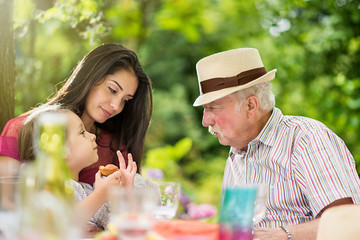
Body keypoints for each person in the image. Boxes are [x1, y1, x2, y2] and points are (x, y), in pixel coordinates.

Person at [192, 48, 360, 240]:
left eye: (213, 108)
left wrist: (284, 235)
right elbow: (234, 232)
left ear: (250, 106)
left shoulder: (307, 139)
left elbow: (349, 223)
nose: (205, 121)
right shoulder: (236, 153)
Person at [0, 43, 153, 186]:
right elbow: (6, 201)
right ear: (90, 78)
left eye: (125, 100)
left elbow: (127, 206)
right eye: (112, 90)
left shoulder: (115, 147)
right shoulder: (22, 129)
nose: (116, 106)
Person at [17, 105, 136, 230]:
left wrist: (126, 190)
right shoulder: (48, 189)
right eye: (82, 132)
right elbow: (57, 224)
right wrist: (99, 195)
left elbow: (119, 225)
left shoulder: (87, 189)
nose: (93, 136)